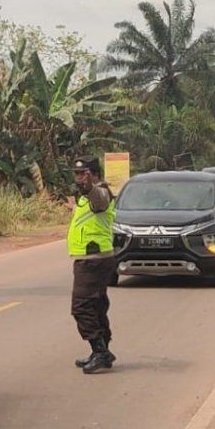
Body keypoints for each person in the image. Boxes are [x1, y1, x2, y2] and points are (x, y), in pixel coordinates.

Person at [68, 156, 118, 374]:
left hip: (93, 260)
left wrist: (90, 187)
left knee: (81, 307)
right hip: (93, 258)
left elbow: (99, 200)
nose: (79, 178)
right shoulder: (85, 197)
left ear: (94, 175)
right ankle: (103, 350)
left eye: (84, 173)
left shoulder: (100, 192)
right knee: (97, 305)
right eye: (77, 174)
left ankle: (99, 351)